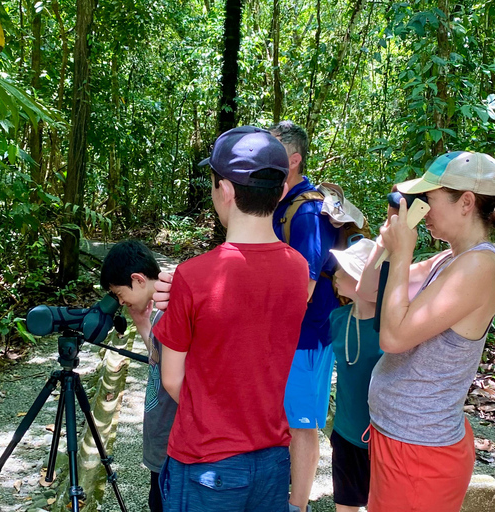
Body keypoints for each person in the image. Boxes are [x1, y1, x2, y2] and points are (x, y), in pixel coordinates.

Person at [152, 126, 309, 512]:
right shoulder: (298, 268)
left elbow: (172, 379)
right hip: (272, 458)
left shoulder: (193, 275)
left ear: (225, 191)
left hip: (207, 459)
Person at [357, 151, 495, 512]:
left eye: (428, 200)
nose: (423, 210)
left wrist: (403, 255)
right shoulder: (449, 259)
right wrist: (388, 241)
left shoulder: (482, 266)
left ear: (466, 202)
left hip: (421, 453)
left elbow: (393, 338)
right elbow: (367, 290)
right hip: (399, 439)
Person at [270, 120, 339, 512]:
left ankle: (297, 506)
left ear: (293, 159)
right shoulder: (283, 202)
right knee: (287, 418)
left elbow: (306, 285)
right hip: (290, 334)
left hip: (307, 335)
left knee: (301, 423)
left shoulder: (308, 210)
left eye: (274, 148)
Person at [100, 240, 176, 512]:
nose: (120, 302)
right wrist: (142, 323)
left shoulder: (172, 313)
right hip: (162, 443)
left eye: (120, 293)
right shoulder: (158, 314)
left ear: (138, 279)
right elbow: (158, 359)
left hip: (173, 446)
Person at [327, 238, 382, 512]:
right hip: (345, 433)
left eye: (345, 271)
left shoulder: (390, 329)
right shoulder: (338, 318)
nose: (336, 275)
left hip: (381, 439)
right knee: (345, 504)